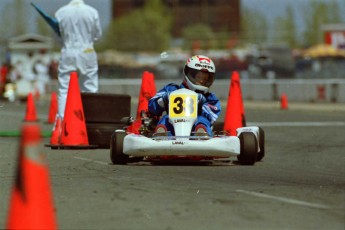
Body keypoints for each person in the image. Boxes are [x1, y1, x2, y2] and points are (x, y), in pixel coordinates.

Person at [148, 55, 221, 136]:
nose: (201, 80)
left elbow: (211, 117)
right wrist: (162, 100)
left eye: (205, 78)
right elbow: (151, 106)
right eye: (198, 76)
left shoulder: (210, 99)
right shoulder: (171, 89)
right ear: (188, 73)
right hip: (172, 132)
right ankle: (161, 133)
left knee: (202, 119)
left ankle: (201, 133)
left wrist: (201, 104)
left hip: (195, 135)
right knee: (166, 118)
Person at [55, 0, 102, 120]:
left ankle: (62, 123)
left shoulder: (60, 12)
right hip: (87, 51)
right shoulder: (92, 12)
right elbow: (97, 35)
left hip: (68, 51)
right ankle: (90, 121)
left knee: (64, 89)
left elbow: (59, 34)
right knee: (90, 88)